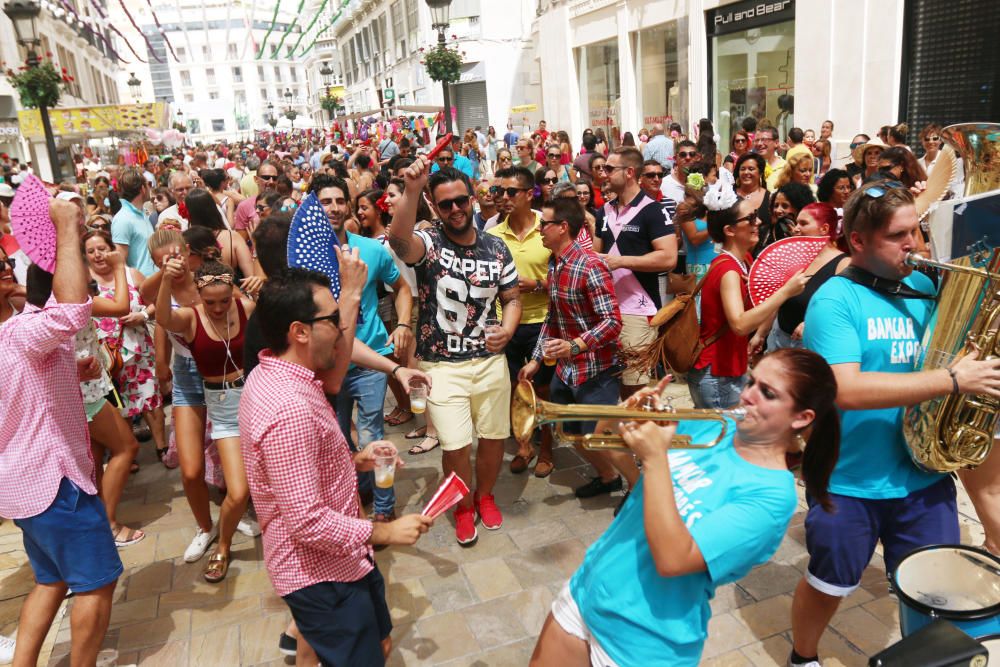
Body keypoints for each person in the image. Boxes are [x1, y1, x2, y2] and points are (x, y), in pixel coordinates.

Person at [788, 182, 1000, 667]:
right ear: (858, 241)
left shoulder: (926, 287)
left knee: (934, 590)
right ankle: (803, 657)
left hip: (922, 477)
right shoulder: (835, 300)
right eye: (899, 235)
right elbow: (845, 389)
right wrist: (950, 380)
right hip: (850, 482)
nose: (915, 245)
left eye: (917, 231)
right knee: (829, 586)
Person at [530, 348, 841, 667]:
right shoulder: (716, 426)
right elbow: (626, 465)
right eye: (751, 382)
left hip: (643, 643)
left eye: (767, 392)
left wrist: (654, 458)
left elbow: (673, 558)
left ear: (801, 417)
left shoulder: (772, 497)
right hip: (588, 592)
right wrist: (621, 415)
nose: (748, 395)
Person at [241, 268, 435, 667]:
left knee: (378, 646)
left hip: (343, 559)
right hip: (322, 575)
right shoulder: (289, 408)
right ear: (299, 331)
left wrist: (353, 460)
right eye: (332, 319)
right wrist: (386, 530)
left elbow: (294, 472)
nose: (343, 325)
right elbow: (307, 521)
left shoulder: (270, 372)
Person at [0, 199, 123, 666]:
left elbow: (18, 392)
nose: (9, 266)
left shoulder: (18, 334)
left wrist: (68, 370)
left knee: (50, 579)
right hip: (55, 484)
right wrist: (68, 225)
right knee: (96, 581)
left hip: (20, 485)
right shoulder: (21, 332)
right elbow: (74, 311)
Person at [387, 158, 521, 547]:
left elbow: (511, 298)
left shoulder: (497, 247)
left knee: (494, 438)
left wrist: (508, 330)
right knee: (456, 445)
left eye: (461, 200)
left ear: (474, 199)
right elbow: (399, 242)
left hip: (491, 362)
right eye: (445, 204)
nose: (456, 209)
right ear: (434, 205)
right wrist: (411, 190)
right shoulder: (429, 242)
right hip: (441, 366)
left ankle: (486, 495)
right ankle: (462, 506)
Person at [315, 174, 413, 524]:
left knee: (374, 435)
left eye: (340, 201)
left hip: (370, 359)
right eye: (326, 201)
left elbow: (402, 288)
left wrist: (402, 324)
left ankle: (384, 511)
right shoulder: (308, 256)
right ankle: (356, 496)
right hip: (326, 365)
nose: (335, 208)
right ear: (314, 206)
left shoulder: (371, 249)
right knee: (337, 441)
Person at [156, 254, 258, 583]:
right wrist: (165, 280)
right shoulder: (189, 318)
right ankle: (223, 545)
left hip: (256, 399)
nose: (218, 308)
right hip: (223, 408)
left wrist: (263, 282)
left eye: (224, 300)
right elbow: (161, 318)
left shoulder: (246, 308)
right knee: (238, 491)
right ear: (199, 296)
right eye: (210, 301)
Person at [519, 197, 629, 496]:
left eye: (545, 224)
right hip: (568, 372)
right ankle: (608, 478)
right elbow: (553, 318)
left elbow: (612, 322)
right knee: (570, 430)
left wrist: (575, 346)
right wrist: (537, 359)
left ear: (562, 227)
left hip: (597, 370)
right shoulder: (556, 263)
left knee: (600, 435)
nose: (540, 229)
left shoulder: (590, 264)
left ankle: (638, 490)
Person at [689, 184, 808, 409]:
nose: (759, 223)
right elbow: (740, 324)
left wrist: (760, 333)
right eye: (750, 219)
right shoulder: (728, 270)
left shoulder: (743, 261)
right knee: (723, 441)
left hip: (727, 369)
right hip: (717, 372)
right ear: (729, 230)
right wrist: (785, 292)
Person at [594, 147, 677, 400]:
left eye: (609, 169)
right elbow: (597, 256)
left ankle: (640, 435)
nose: (603, 173)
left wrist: (620, 262)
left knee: (635, 388)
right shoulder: (604, 211)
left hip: (637, 310)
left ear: (629, 172)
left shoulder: (653, 210)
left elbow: (668, 257)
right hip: (604, 309)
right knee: (610, 384)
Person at [488, 167, 554, 477]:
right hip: (506, 324)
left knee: (543, 389)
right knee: (515, 388)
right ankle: (524, 446)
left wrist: (538, 285)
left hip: (544, 320)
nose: (503, 198)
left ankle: (547, 449)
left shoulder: (549, 227)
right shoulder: (492, 234)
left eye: (511, 192)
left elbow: (570, 277)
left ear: (529, 194)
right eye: (499, 192)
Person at [85, 231, 167, 462]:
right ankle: (126, 454)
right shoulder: (86, 283)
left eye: (102, 248)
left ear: (112, 249)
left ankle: (162, 446)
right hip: (105, 355)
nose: (98, 255)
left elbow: (156, 301)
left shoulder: (131, 274)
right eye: (91, 251)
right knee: (118, 402)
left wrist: (142, 314)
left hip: (138, 346)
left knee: (149, 395)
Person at [764, 203, 849, 350]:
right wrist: (760, 334)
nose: (796, 228)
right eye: (796, 222)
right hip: (777, 337)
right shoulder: (792, 257)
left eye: (803, 223)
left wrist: (811, 321)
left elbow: (843, 308)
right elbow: (777, 301)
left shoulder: (844, 264)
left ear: (824, 229)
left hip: (811, 344)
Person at [111, 168, 157, 277]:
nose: (150, 187)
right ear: (142, 189)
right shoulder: (122, 219)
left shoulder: (142, 213)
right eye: (148, 184)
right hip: (140, 288)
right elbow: (120, 263)